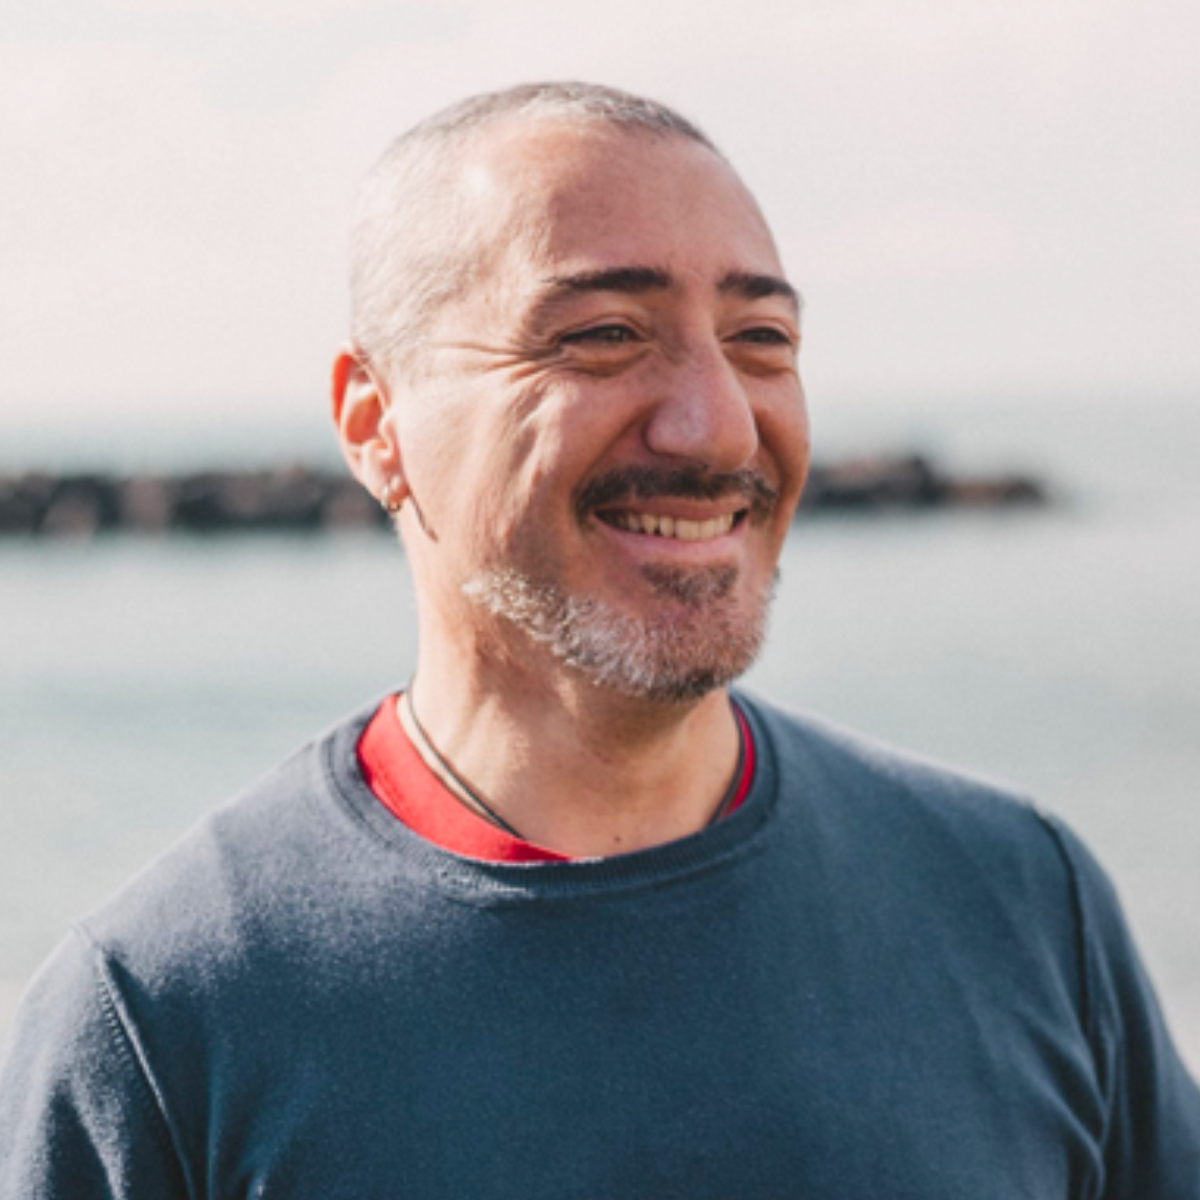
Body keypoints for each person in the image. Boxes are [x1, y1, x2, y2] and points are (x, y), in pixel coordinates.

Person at [1, 81, 1197, 1198]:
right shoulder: (160, 1024)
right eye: (604, 334)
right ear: (375, 423)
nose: (717, 427)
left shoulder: (1022, 903)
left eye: (761, 340)